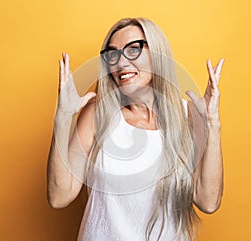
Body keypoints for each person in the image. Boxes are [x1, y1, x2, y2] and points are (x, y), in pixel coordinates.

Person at [47, 18, 224, 241]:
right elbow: (58, 196)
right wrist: (62, 118)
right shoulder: (97, 113)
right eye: (113, 54)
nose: (121, 63)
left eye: (133, 50)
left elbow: (208, 202)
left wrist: (211, 123)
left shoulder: (188, 115)